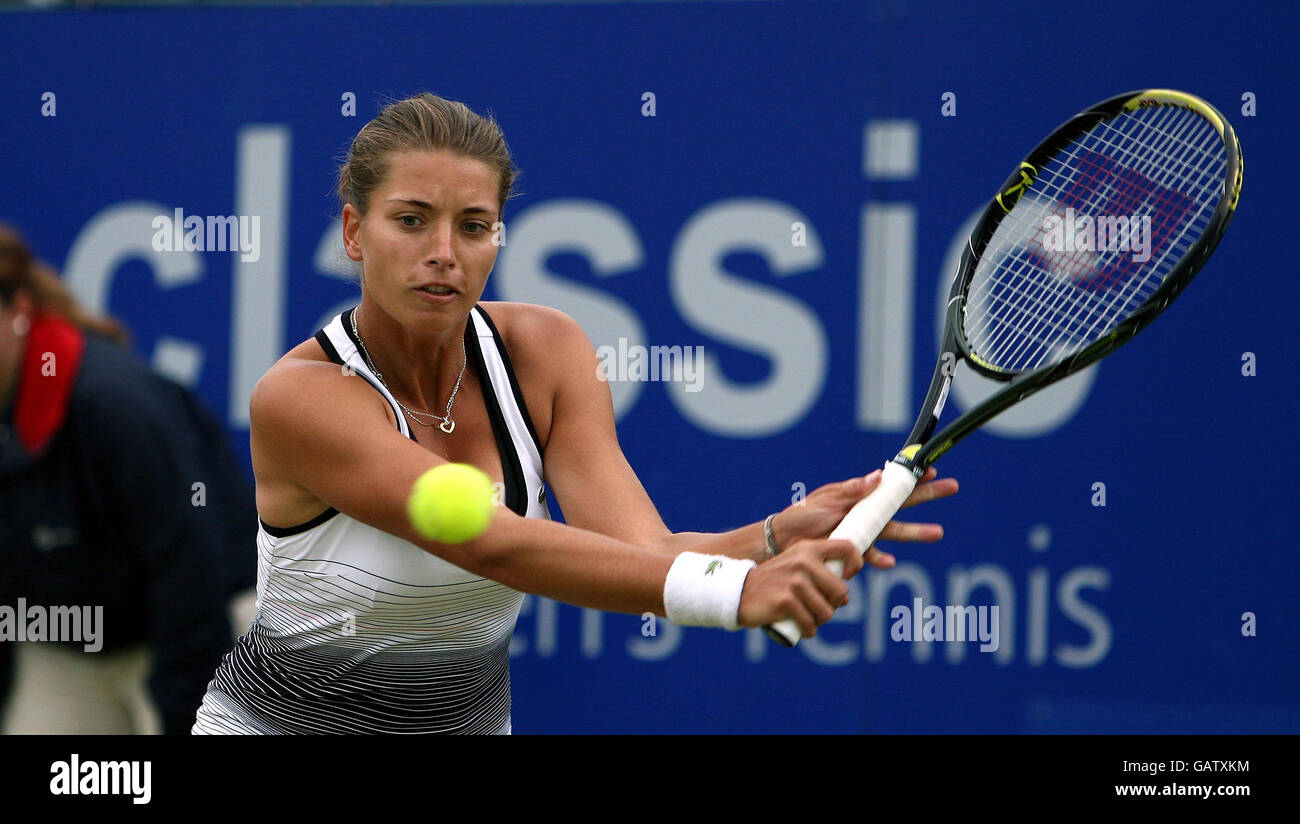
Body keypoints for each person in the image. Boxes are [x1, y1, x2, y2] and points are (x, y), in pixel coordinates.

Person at [193, 92, 958, 735]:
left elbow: (647, 550)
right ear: (355, 233)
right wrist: (733, 592)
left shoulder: (547, 351)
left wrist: (765, 538)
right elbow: (489, 544)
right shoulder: (300, 397)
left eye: (473, 225)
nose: (444, 253)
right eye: (411, 220)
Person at [0, 224, 257, 734]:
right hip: (66, 648)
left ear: (20, 312)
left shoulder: (118, 405)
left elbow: (191, 570)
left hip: (202, 629)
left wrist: (187, 714)